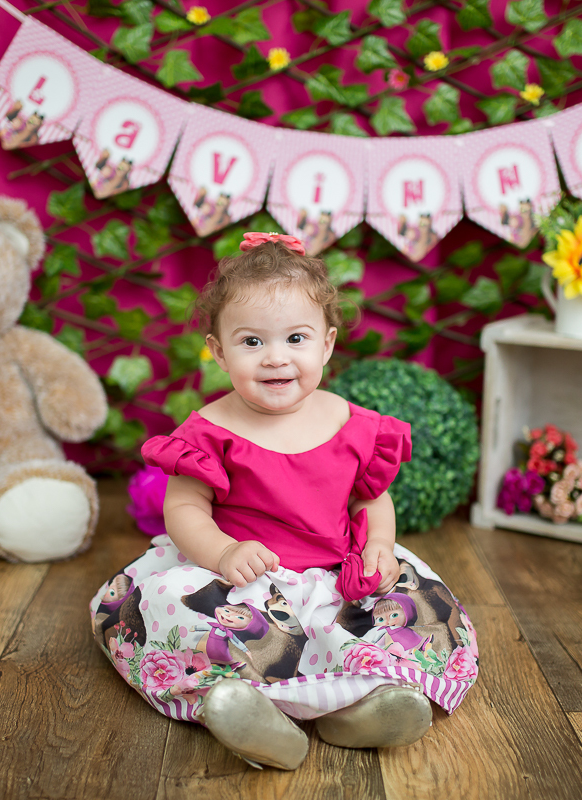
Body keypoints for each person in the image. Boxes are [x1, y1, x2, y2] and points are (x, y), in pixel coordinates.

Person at [89, 232, 479, 770]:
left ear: (327, 344)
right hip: (239, 581)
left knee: (416, 606)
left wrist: (381, 548)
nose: (276, 358)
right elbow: (183, 511)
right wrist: (223, 552)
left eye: (296, 339)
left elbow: (371, 500)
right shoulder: (210, 431)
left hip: (334, 576)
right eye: (252, 342)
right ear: (219, 350)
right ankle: (246, 712)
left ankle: (363, 709)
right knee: (173, 607)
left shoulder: (350, 423)